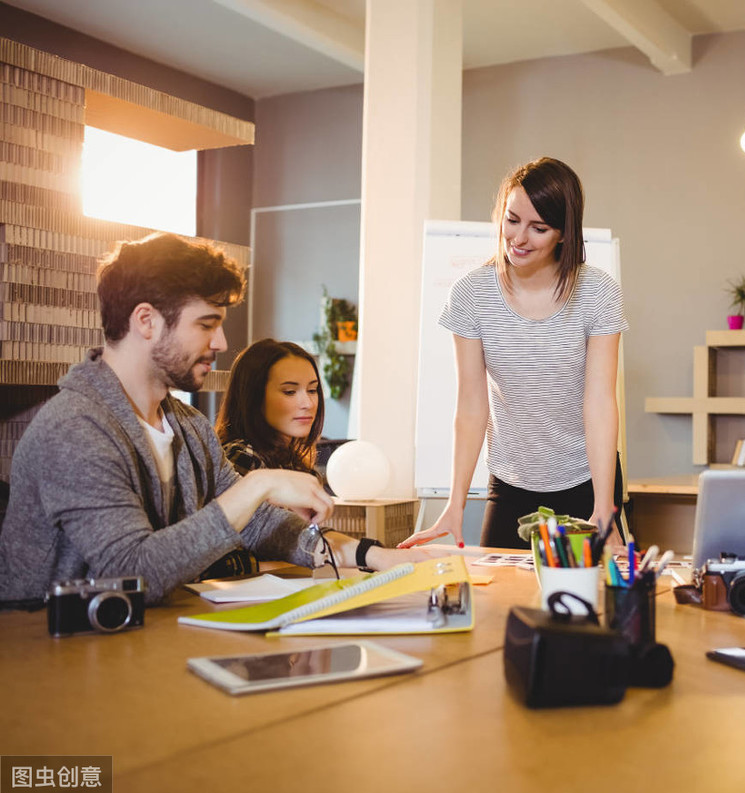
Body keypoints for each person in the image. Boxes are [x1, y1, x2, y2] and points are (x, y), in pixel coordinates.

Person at [0, 233, 426, 606]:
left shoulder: (186, 425)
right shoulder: (75, 429)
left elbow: (260, 525)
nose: (221, 342)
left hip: (141, 646)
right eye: (207, 324)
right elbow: (132, 573)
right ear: (145, 320)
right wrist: (258, 485)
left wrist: (376, 556)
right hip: (51, 660)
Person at [400, 157, 627, 550]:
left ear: (563, 233)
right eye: (512, 220)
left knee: (593, 602)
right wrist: (455, 505)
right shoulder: (471, 294)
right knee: (499, 603)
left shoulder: (597, 292)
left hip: (587, 481)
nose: (519, 238)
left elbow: (600, 401)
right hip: (512, 483)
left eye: (538, 228)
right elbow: (472, 405)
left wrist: (604, 504)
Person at [216, 339, 324, 477]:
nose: (308, 404)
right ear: (254, 397)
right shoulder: (243, 457)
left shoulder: (292, 459)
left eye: (312, 390)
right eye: (290, 392)